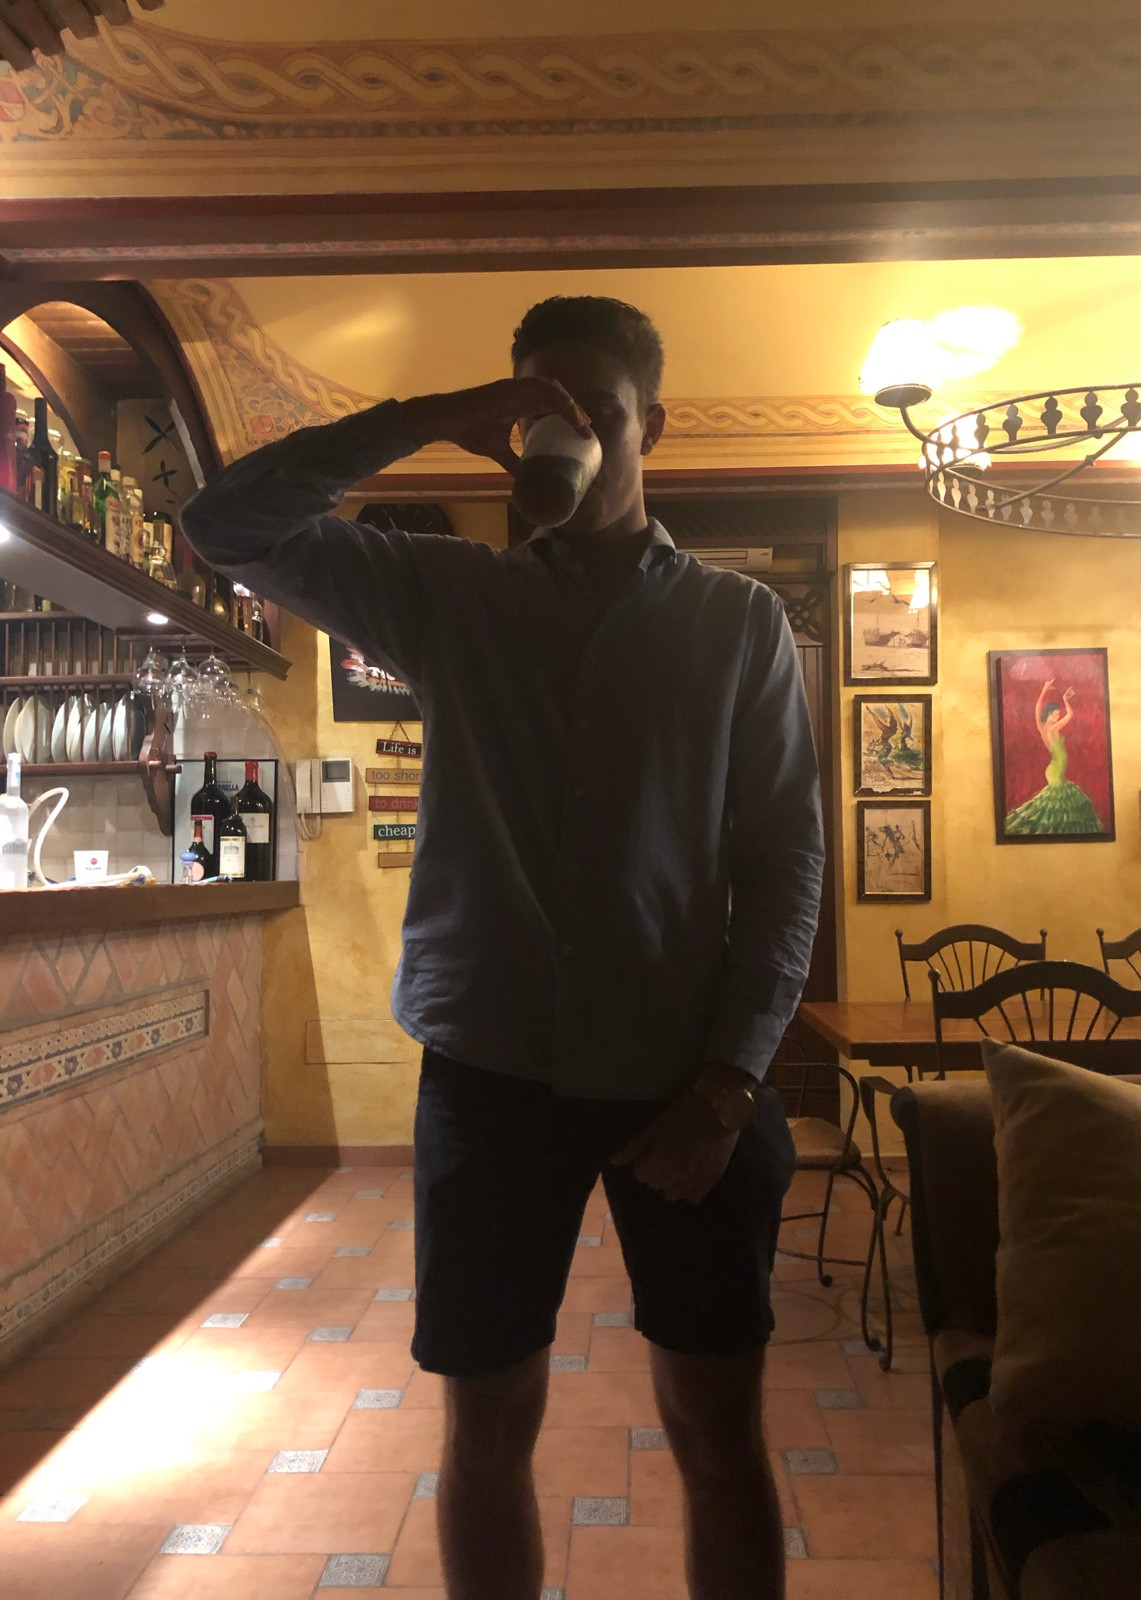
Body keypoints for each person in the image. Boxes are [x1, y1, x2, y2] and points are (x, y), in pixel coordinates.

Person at [182, 294, 825, 1600]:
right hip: (490, 1075)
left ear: (654, 426)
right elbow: (224, 525)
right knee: (484, 1427)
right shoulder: (447, 596)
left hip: (684, 1078)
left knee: (715, 1426)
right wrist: (435, 418)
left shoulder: (738, 623)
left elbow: (785, 862)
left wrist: (729, 1084)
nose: (565, 434)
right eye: (541, 409)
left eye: (595, 410)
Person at [1005, 677, 1102, 835]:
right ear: (1049, 715)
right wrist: (1065, 700)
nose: (1057, 717)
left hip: (1055, 770)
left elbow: (1037, 709)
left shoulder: (1043, 727)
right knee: (1056, 807)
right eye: (1055, 714)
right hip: (1056, 771)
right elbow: (1070, 714)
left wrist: (1044, 690)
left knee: (1059, 808)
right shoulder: (1052, 729)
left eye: (1058, 715)